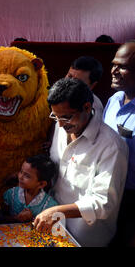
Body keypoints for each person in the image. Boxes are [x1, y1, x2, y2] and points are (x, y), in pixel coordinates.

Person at [34, 78, 128, 247]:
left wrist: (57, 211)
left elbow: (103, 202)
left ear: (87, 107)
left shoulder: (111, 146)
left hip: (87, 238)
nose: (61, 124)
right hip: (55, 230)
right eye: (55, 117)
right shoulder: (61, 126)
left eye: (67, 117)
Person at [103, 40, 135, 246]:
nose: (114, 71)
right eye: (114, 64)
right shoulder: (114, 100)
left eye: (122, 67)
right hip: (108, 193)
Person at [2, 154, 58, 223]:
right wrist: (16, 218)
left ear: (41, 184)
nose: (20, 177)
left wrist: (32, 219)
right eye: (21, 172)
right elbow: (1, 219)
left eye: (27, 176)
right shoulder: (11, 194)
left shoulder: (50, 206)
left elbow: (50, 229)